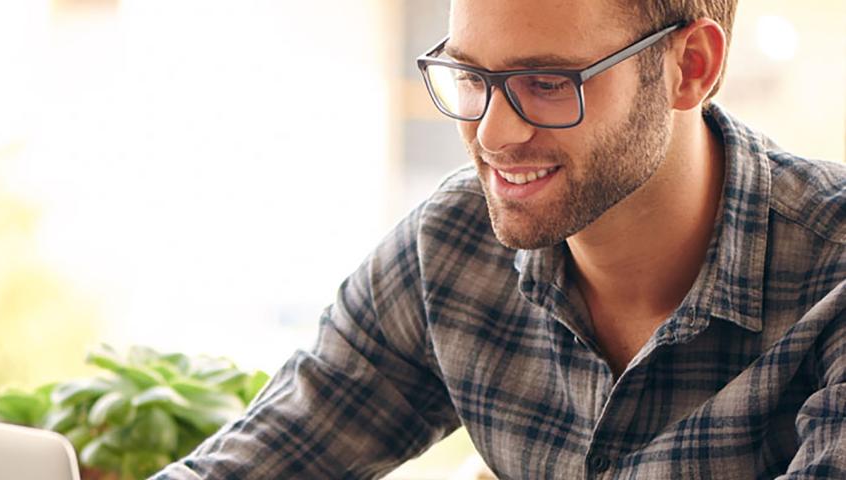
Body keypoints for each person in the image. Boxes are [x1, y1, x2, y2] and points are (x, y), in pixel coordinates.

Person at [153, 0, 846, 477]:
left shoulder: (832, 270)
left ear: (689, 66)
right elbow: (259, 460)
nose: (492, 135)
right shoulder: (452, 248)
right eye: (472, 77)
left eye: (546, 82)